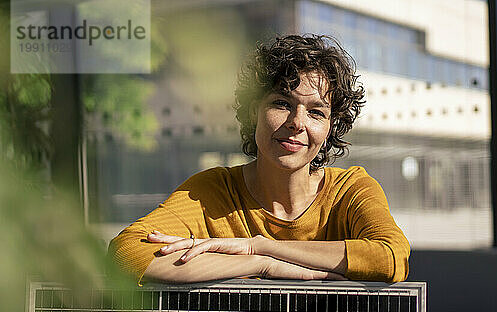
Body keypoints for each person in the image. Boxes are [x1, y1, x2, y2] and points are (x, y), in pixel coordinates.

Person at [108, 34, 410, 285]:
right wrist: (262, 264)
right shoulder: (212, 191)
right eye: (282, 103)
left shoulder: (350, 188)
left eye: (316, 112)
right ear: (254, 112)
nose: (297, 123)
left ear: (331, 126)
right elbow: (127, 253)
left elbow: (390, 257)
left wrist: (262, 245)